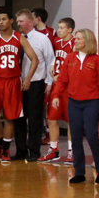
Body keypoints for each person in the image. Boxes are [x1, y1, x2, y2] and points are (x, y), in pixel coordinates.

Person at [0, 8, 39, 164]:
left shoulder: (19, 38)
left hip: (13, 82)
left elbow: (35, 59)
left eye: (4, 19)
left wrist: (27, 79)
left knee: (10, 118)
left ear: (11, 21)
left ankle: (6, 150)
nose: (1, 22)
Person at [51, 29, 99, 185]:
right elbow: (62, 79)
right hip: (74, 102)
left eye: (78, 39)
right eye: (75, 38)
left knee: (91, 135)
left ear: (87, 41)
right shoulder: (70, 58)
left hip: (92, 102)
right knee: (75, 137)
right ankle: (80, 172)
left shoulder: (97, 60)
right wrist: (56, 95)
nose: (75, 41)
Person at [14, 9, 54, 161]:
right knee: (18, 118)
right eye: (17, 21)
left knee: (35, 118)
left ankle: (34, 151)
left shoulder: (42, 39)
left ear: (30, 22)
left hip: (36, 83)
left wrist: (49, 83)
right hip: (17, 83)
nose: (18, 24)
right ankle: (20, 150)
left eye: (21, 21)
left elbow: (51, 60)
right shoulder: (15, 38)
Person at [42, 17, 75, 163]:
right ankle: (53, 149)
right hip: (57, 86)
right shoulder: (56, 42)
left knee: (71, 121)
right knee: (51, 118)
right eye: (58, 27)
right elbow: (52, 60)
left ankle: (72, 151)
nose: (59, 30)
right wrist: (53, 71)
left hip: (70, 87)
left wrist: (62, 78)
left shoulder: (75, 44)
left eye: (62, 28)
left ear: (69, 30)